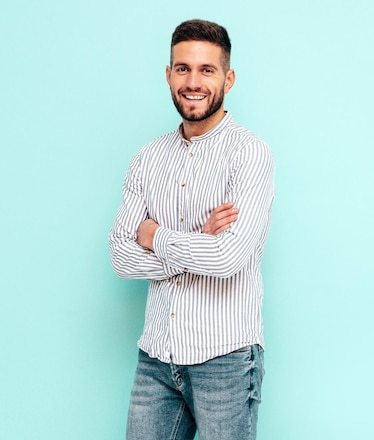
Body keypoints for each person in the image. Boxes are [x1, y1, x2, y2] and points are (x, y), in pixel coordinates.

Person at [108, 19, 274, 440]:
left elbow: (229, 258)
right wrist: (200, 243)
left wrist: (155, 236)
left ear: (228, 78)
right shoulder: (147, 158)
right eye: (182, 68)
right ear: (168, 75)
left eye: (206, 69)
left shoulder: (250, 154)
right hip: (155, 358)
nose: (193, 81)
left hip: (225, 360)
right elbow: (121, 258)